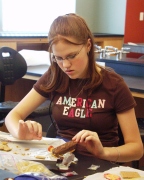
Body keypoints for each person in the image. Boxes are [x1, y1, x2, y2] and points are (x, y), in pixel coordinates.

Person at [5, 13, 143, 163]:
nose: (65, 65)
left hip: (100, 165)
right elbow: (12, 116)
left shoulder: (113, 84)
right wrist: (19, 132)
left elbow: (136, 149)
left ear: (88, 45)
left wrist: (103, 152)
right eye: (58, 58)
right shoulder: (55, 75)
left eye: (71, 56)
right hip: (61, 162)